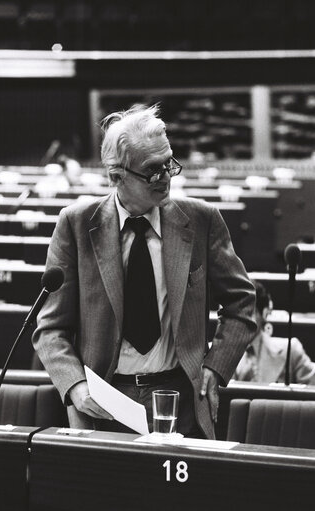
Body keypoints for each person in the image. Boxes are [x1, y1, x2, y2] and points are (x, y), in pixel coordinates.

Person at [32, 104, 256, 439]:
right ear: (116, 175)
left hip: (181, 401)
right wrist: (75, 386)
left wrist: (215, 367)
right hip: (103, 406)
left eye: (168, 163)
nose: (165, 176)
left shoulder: (201, 220)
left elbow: (241, 303)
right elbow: (50, 329)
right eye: (152, 170)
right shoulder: (76, 224)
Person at [232, 280, 315, 384]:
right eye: (234, 312)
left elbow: (311, 390)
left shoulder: (290, 350)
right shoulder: (216, 353)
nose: (240, 318)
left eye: (248, 312)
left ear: (264, 313)